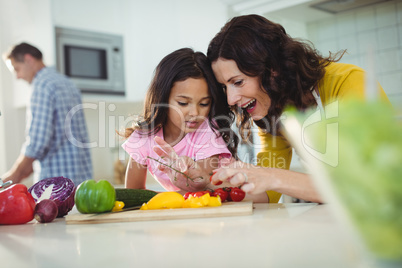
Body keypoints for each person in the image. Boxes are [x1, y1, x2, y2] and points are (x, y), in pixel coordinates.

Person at [205, 14, 391, 203]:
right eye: (224, 86)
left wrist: (270, 176)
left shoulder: (348, 82)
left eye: (237, 82)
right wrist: (211, 187)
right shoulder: (273, 110)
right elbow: (266, 194)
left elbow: (368, 183)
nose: (230, 99)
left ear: (272, 68)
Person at [121, 48, 238, 193]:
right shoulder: (145, 136)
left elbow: (200, 188)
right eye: (183, 103)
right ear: (162, 99)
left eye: (204, 104)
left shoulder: (207, 130)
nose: (195, 113)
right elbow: (133, 192)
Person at [2, 42, 92, 185]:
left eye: (16, 69)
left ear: (29, 59)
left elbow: (37, 143)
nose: (17, 77)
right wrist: (26, 169)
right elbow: (58, 139)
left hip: (55, 186)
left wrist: (11, 177)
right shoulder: (68, 83)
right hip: (82, 183)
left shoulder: (41, 86)